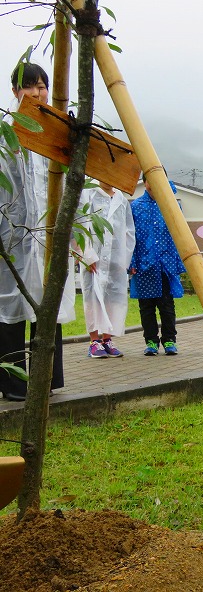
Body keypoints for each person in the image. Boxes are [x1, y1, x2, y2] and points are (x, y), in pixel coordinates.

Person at [0, 62, 75, 400]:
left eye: (42, 85)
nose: (37, 92)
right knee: (11, 308)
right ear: (16, 91)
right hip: (12, 237)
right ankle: (13, 385)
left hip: (48, 237)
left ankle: (47, 381)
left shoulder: (55, 132)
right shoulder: (6, 132)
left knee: (49, 302)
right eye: (29, 85)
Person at [77, 181, 136, 358]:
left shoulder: (121, 199)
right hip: (93, 258)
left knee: (113, 298)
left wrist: (124, 260)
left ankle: (107, 339)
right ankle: (94, 341)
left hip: (115, 259)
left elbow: (129, 231)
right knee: (92, 297)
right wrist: (86, 254)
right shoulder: (88, 193)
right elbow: (78, 225)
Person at [128, 173, 185, 356]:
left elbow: (180, 235)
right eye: (149, 180)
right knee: (146, 306)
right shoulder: (136, 206)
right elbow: (130, 237)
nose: (153, 184)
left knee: (167, 305)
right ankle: (151, 341)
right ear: (144, 183)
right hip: (144, 265)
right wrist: (132, 262)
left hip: (165, 264)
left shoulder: (171, 205)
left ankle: (169, 340)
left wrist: (177, 261)